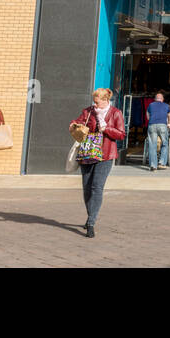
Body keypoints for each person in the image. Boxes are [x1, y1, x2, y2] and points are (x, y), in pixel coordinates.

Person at [70, 88, 126, 238]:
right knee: (87, 188)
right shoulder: (88, 111)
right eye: (93, 102)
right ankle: (91, 216)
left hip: (106, 154)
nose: (94, 105)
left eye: (97, 102)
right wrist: (74, 125)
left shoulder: (115, 113)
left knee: (97, 186)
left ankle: (91, 222)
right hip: (88, 153)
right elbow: (78, 122)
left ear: (105, 100)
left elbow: (121, 134)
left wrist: (106, 128)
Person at [145, 92, 170, 170]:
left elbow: (147, 116)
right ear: (162, 99)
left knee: (152, 145)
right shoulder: (167, 106)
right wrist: (169, 124)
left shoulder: (150, 105)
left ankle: (153, 165)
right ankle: (161, 162)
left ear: (155, 99)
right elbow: (169, 116)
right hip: (163, 125)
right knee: (165, 143)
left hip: (152, 125)